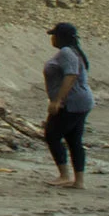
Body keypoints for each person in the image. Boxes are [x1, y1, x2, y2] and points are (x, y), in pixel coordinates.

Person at [43, 21, 93, 189]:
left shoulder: (66, 53)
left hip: (72, 102)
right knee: (74, 139)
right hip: (82, 101)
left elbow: (70, 76)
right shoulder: (74, 52)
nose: (52, 39)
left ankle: (64, 175)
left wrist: (57, 101)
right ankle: (79, 181)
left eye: (54, 35)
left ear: (61, 37)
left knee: (52, 134)